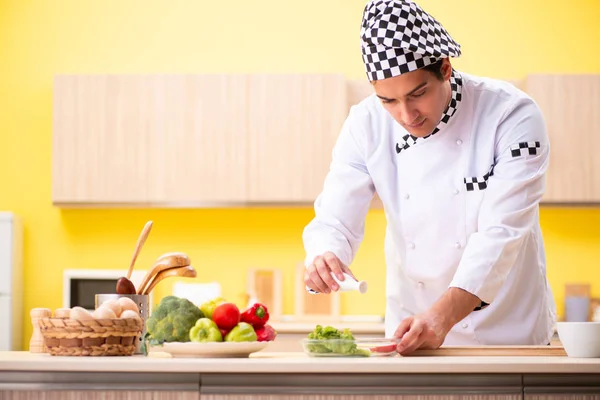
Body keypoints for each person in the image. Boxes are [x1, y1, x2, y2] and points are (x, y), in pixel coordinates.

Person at [302, 0, 557, 355]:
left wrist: (442, 317)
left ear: (445, 68)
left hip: (508, 334)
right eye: (388, 101)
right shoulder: (365, 124)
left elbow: (501, 234)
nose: (406, 115)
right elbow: (335, 218)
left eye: (417, 93)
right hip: (412, 333)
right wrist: (324, 254)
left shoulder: (511, 115)